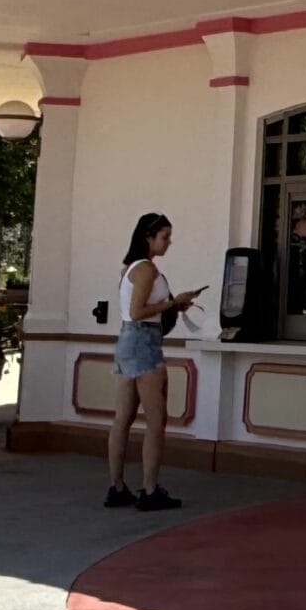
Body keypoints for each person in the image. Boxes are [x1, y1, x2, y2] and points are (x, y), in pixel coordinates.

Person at [109, 212, 200, 510]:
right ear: (148, 237)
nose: (168, 242)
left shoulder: (130, 267)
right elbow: (138, 311)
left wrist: (172, 305)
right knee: (156, 419)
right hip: (143, 341)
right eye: (164, 237)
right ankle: (149, 490)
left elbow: (133, 311)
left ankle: (117, 486)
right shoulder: (146, 269)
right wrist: (174, 302)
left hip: (127, 341)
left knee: (123, 418)